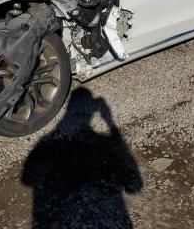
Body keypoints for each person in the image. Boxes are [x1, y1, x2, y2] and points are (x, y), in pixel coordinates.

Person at [22, 87, 142, 228]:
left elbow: (27, 179)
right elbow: (134, 185)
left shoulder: (47, 145)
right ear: (90, 113)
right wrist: (111, 125)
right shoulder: (105, 147)